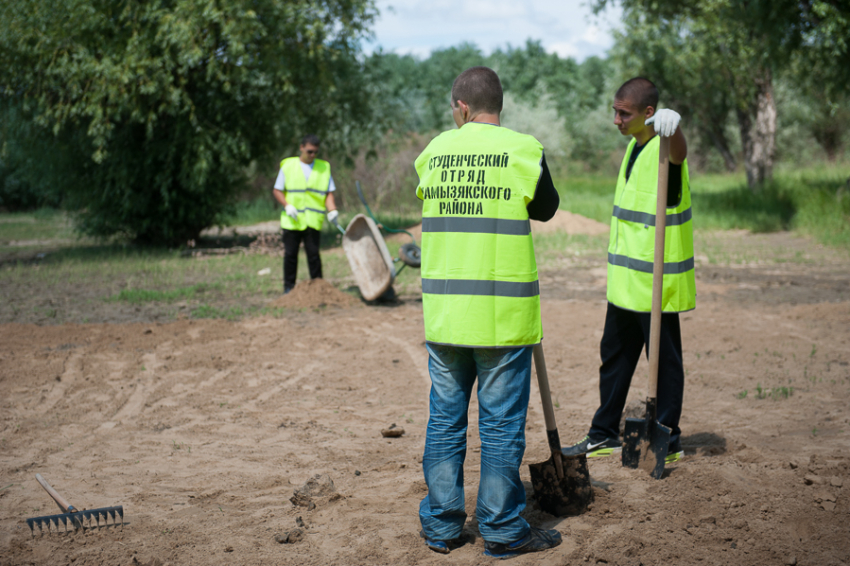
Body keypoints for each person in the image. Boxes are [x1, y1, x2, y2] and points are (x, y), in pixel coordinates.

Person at [413, 66, 562, 559]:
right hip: (501, 319)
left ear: (460, 107)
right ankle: (501, 529)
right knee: (500, 427)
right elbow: (546, 208)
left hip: (446, 317)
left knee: (445, 421)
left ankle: (441, 525)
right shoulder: (522, 149)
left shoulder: (434, 152)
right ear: (500, 105)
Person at [563, 77, 695, 464]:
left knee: (665, 364)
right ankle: (603, 433)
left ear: (649, 114)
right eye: (615, 111)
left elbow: (679, 155)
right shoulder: (635, 148)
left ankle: (668, 440)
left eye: (625, 113)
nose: (616, 120)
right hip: (625, 283)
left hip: (655, 283)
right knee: (614, 357)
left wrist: (676, 130)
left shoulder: (662, 147)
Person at [272, 134, 340, 293]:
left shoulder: (324, 167)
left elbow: (328, 193)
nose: (312, 155)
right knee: (290, 255)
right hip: (292, 220)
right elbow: (277, 190)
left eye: (315, 152)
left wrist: (332, 210)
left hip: (313, 220)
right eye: (309, 151)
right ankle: (289, 289)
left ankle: (319, 289)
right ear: (301, 148)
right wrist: (287, 205)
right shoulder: (288, 166)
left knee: (314, 256)